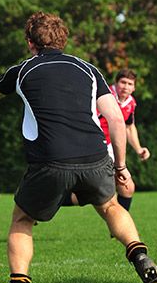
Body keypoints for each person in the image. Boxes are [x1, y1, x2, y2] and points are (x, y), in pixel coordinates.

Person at [0, 12, 157, 283]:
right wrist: (120, 166)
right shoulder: (89, 69)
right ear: (64, 39)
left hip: (49, 161)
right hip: (96, 157)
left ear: (29, 42)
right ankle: (139, 254)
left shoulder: (22, 70)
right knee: (111, 207)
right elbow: (114, 118)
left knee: (23, 219)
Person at [62, 68, 150, 211]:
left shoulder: (130, 103)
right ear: (115, 83)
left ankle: (118, 231)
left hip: (110, 148)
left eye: (129, 84)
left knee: (126, 188)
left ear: (134, 88)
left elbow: (129, 127)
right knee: (96, 192)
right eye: (123, 82)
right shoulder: (104, 97)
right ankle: (41, 203)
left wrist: (139, 148)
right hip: (93, 147)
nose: (125, 87)